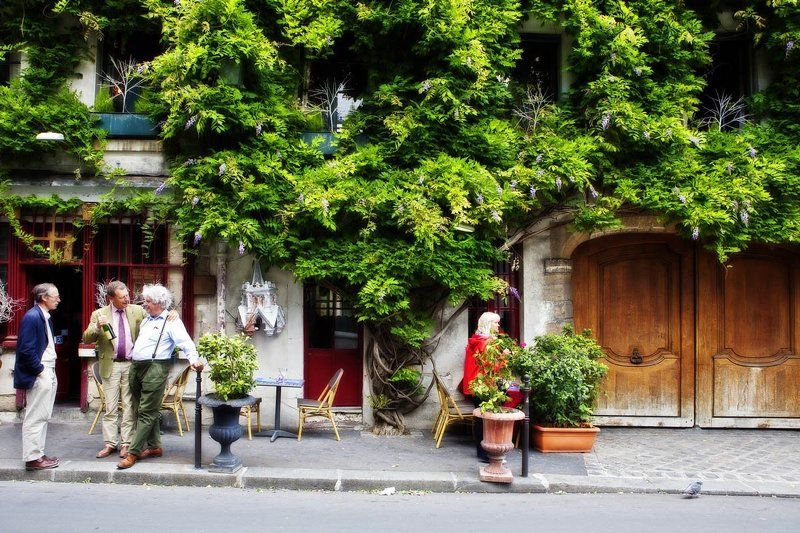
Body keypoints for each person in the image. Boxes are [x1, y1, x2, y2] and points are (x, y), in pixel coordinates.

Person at [117, 283, 204, 470]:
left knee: (147, 411)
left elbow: (185, 342)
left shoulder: (171, 321)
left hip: (155, 368)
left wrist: (194, 360)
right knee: (141, 409)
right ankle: (155, 447)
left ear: (158, 303)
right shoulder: (147, 318)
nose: (145, 304)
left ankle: (133, 452)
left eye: (148, 301)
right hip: (137, 367)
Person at [83, 281, 147, 459]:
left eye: (127, 295)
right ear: (111, 298)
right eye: (122, 297)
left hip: (130, 364)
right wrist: (96, 327)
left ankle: (126, 443)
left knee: (129, 406)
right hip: (110, 364)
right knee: (110, 407)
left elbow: (155, 321)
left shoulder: (137, 311)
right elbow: (86, 338)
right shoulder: (99, 314)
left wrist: (170, 313)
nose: (127, 299)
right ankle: (110, 443)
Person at [14, 283, 61, 471]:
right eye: (55, 296)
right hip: (41, 371)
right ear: (44, 298)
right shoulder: (33, 317)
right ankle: (32, 458)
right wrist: (40, 370)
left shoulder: (43, 317)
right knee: (35, 415)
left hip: (47, 369)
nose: (58, 299)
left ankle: (38, 454)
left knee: (43, 415)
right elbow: (25, 349)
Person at [460, 311, 501, 462]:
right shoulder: (486, 343)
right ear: (489, 325)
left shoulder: (478, 339)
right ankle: (485, 452)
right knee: (485, 418)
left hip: (475, 384)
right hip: (483, 384)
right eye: (496, 323)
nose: (498, 325)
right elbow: (491, 367)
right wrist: (504, 357)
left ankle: (482, 451)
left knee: (480, 418)